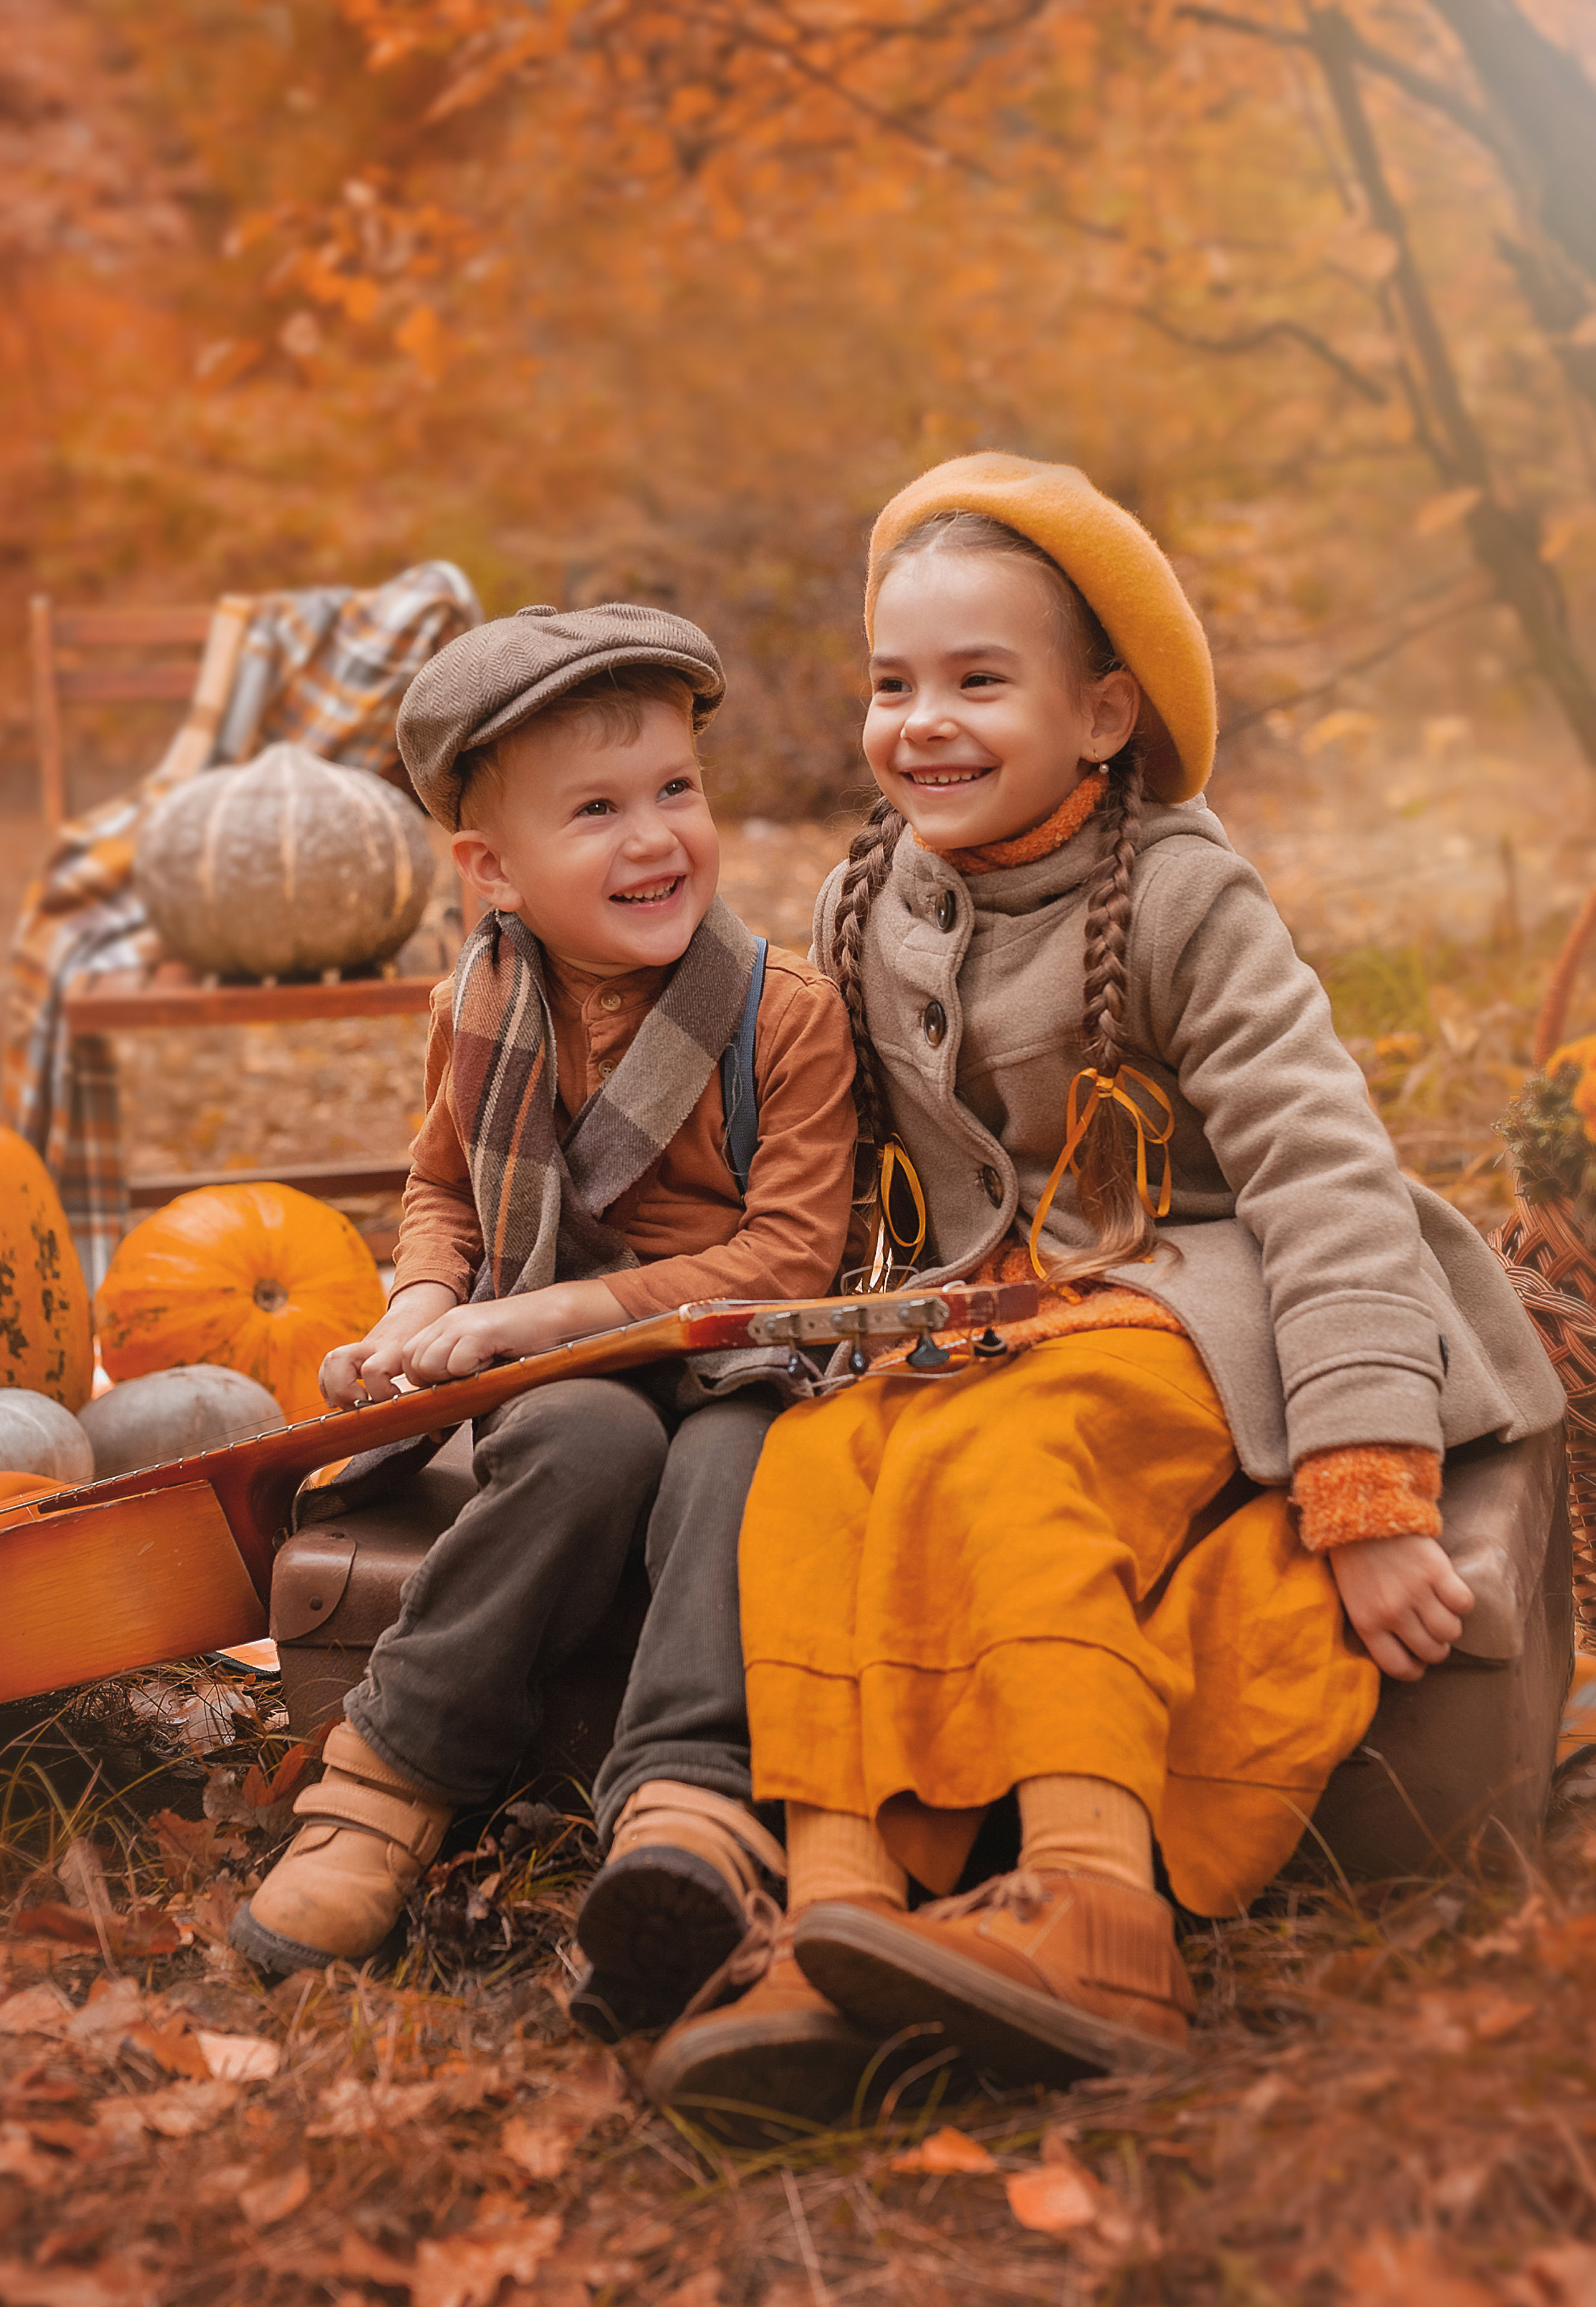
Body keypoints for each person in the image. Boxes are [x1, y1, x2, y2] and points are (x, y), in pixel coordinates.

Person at [645, 455, 1564, 2122]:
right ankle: (845, 1913)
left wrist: (1372, 1474)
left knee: (1014, 1449)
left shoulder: (1191, 895)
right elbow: (833, 1162)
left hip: (1211, 1289)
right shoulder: (878, 893)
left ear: (1104, 716)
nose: (923, 721)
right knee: (826, 1461)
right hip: (1002, 1297)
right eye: (892, 684)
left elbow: (1322, 1168)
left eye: (979, 682)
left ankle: (1093, 1902)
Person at [231, 602, 858, 2022]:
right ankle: (389, 1777)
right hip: (556, 1358)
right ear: (490, 870)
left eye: (674, 791)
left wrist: (553, 1308)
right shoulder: (482, 1002)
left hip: (738, 1356)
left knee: (727, 1459)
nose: (653, 838)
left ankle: (686, 1808)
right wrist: (426, 1295)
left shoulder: (781, 1015)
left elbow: (789, 1259)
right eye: (596, 810)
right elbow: (442, 1187)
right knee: (580, 1440)